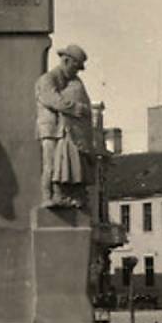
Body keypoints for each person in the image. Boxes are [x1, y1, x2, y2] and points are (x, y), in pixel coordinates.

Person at [35, 45, 92, 208]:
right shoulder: (47, 79)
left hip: (62, 129)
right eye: (75, 67)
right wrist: (76, 108)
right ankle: (48, 197)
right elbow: (52, 100)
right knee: (51, 164)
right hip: (50, 128)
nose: (77, 72)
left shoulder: (71, 81)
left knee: (62, 164)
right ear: (66, 61)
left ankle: (62, 196)